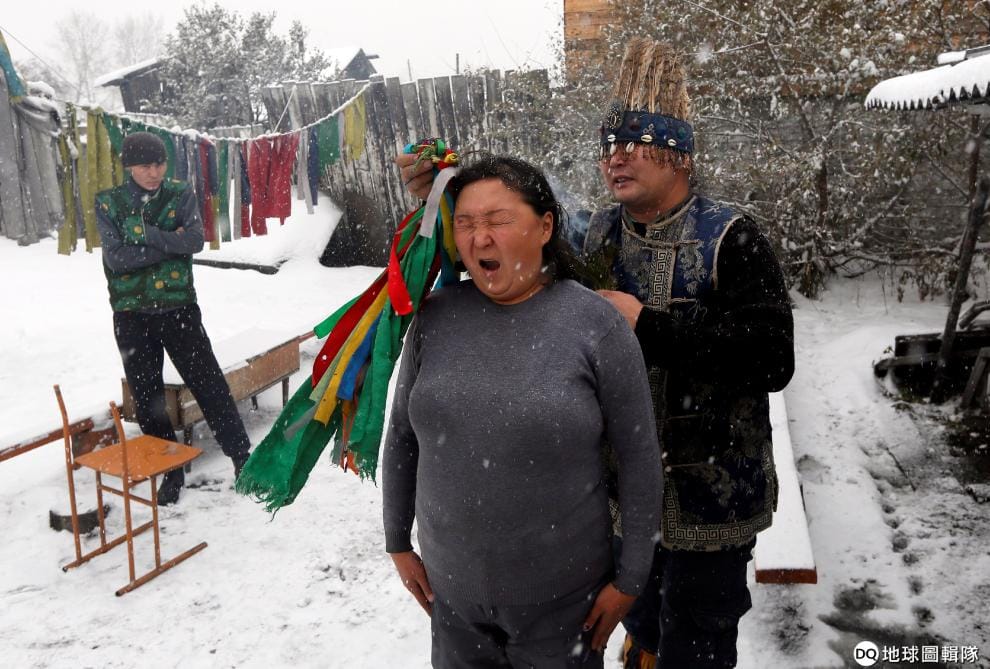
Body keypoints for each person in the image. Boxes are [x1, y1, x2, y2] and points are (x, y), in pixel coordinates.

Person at [396, 40, 794, 669]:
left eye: (635, 142)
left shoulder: (729, 236)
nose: (616, 157)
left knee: (699, 641)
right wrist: (448, 186)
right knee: (639, 626)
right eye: (609, 146)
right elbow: (520, 228)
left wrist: (651, 327)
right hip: (618, 502)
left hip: (709, 499)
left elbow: (773, 358)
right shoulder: (597, 234)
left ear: (679, 153)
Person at [382, 155, 663, 667]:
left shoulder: (595, 324)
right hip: (453, 602)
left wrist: (631, 578)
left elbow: (639, 456)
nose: (479, 238)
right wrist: (397, 541)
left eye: (498, 220)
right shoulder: (436, 318)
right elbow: (402, 435)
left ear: (545, 227)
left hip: (566, 606)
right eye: (466, 223)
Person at [95, 131, 251, 505]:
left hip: (178, 309)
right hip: (131, 316)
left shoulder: (180, 194)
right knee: (148, 397)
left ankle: (241, 457)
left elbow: (194, 241)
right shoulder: (109, 203)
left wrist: (144, 234)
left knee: (209, 385)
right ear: (129, 167)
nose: (155, 173)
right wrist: (169, 243)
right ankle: (170, 470)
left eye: (160, 164)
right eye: (146, 166)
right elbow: (117, 259)